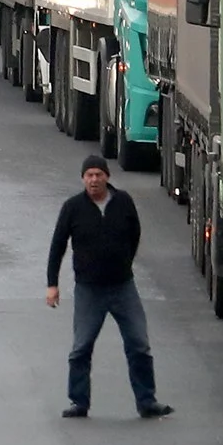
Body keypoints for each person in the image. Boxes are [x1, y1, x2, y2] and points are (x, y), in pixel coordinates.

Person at [46, 154, 173, 419]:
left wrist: (124, 261)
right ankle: (79, 402)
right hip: (88, 291)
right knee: (81, 347)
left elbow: (134, 233)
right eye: (89, 175)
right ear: (83, 179)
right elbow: (58, 245)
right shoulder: (73, 208)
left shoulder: (123, 202)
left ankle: (147, 401)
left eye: (99, 174)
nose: (94, 180)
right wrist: (52, 284)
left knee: (139, 344)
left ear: (107, 177)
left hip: (123, 288)